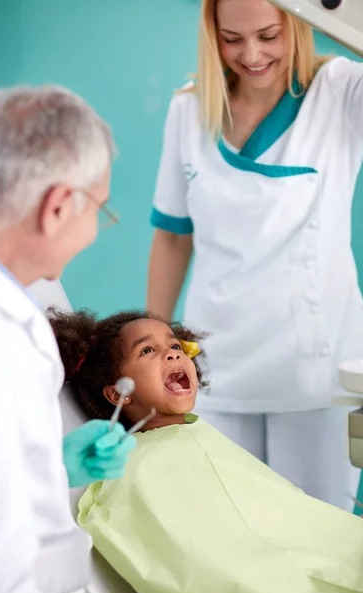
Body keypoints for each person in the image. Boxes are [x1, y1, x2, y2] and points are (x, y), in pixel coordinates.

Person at [146, 0, 363, 510]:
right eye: (232, 38)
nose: (251, 54)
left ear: (299, 24)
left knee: (315, 544)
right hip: (215, 366)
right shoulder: (189, 109)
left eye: (268, 35)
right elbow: (174, 237)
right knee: (223, 535)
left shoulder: (343, 91)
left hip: (314, 374)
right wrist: (157, 347)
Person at [49, 308, 363, 593]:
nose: (172, 353)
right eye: (147, 350)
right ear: (117, 393)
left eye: (175, 347)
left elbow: (285, 517)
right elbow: (207, 566)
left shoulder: (194, 436)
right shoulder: (141, 471)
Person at [0, 86, 136, 593]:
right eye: (100, 212)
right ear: (60, 205)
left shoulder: (5, 303)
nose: (95, 231)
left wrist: (50, 465)